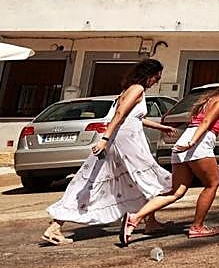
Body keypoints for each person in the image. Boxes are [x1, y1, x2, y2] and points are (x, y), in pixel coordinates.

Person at [42, 59, 175, 245]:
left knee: (131, 180)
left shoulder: (129, 90)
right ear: (147, 75)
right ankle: (55, 227)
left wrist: (161, 127)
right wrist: (104, 140)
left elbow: (135, 118)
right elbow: (120, 114)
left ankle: (150, 221)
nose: (156, 81)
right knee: (148, 178)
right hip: (126, 143)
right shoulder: (137, 89)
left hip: (123, 140)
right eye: (156, 77)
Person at [120, 77, 219, 244]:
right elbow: (206, 122)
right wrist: (192, 142)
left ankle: (135, 217)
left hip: (182, 143)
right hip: (198, 144)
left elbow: (199, 121)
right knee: (212, 184)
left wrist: (188, 142)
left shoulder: (208, 99)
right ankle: (197, 227)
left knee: (176, 192)